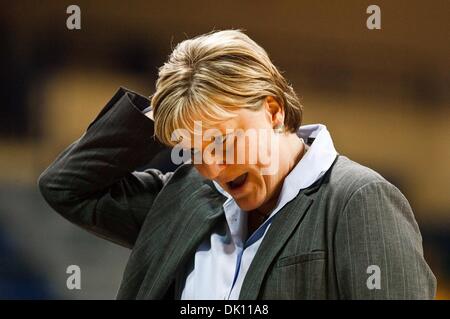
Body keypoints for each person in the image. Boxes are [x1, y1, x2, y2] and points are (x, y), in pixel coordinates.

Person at [38, 29, 436, 299]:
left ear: (274, 111)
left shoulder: (358, 199)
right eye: (193, 150)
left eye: (223, 141)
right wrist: (166, 111)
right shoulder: (185, 197)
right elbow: (66, 188)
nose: (211, 168)